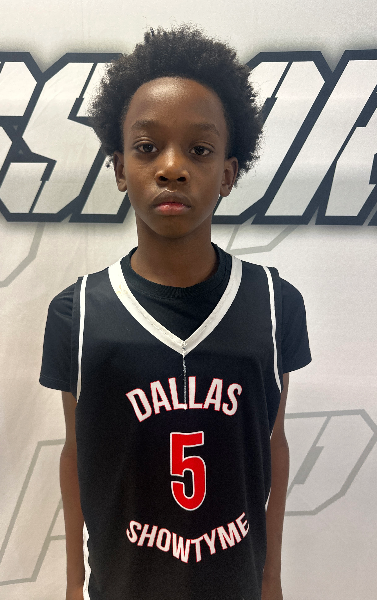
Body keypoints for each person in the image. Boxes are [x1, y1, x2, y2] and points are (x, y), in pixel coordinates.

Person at [40, 25, 311, 600]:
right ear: (119, 168)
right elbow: (76, 452)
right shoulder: (77, 314)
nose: (171, 168)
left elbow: (273, 444)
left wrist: (271, 578)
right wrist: (71, 586)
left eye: (199, 150)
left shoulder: (274, 304)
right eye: (147, 148)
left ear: (228, 174)